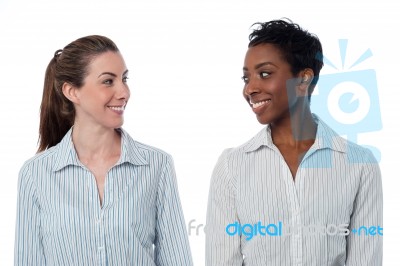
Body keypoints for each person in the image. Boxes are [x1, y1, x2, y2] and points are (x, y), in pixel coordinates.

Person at [206, 19, 382, 265]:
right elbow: (221, 259)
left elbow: (366, 259)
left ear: (303, 80)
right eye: (246, 79)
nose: (250, 89)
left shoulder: (360, 164)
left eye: (264, 74)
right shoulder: (231, 166)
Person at [14, 35, 193, 265]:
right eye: (108, 81)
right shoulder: (35, 174)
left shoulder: (157, 165)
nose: (124, 92)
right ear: (72, 92)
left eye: (124, 79)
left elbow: (177, 260)